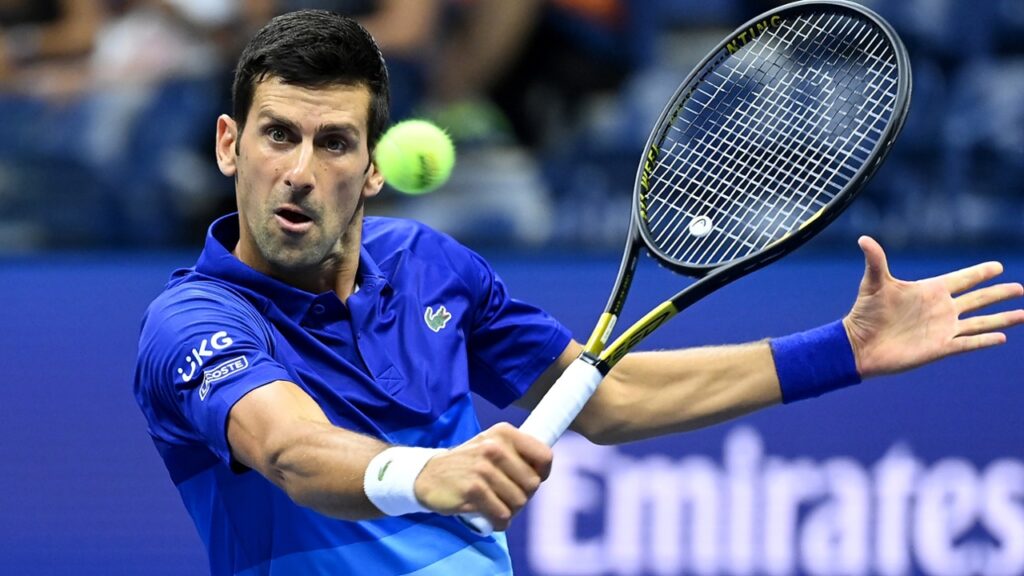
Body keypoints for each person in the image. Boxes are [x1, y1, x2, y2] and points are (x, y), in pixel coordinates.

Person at [132, 10, 1024, 576]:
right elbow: (292, 451)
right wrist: (426, 473)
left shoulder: (431, 265)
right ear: (229, 145)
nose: (298, 170)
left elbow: (606, 397)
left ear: (372, 170)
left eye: (332, 143)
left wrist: (843, 351)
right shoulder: (194, 322)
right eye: (277, 135)